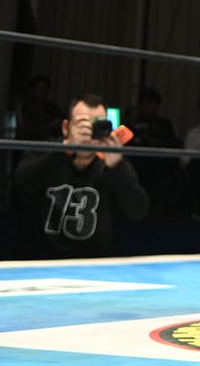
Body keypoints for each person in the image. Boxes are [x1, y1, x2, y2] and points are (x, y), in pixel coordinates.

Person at [11, 94, 149, 258]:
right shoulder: (44, 152)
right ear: (66, 128)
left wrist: (117, 168)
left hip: (94, 262)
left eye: (96, 125)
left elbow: (138, 212)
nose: (88, 133)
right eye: (82, 124)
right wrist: (65, 150)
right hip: (40, 259)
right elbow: (19, 186)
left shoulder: (113, 162)